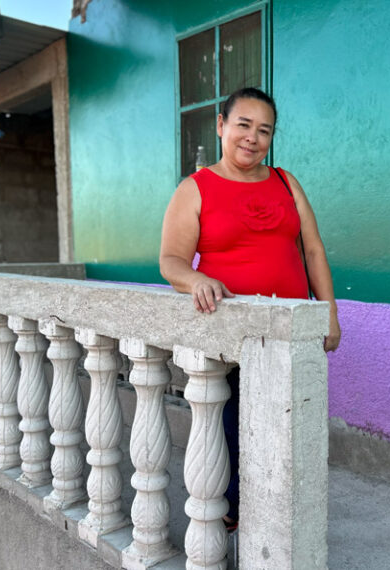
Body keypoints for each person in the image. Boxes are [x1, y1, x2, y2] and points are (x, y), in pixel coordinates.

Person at [159, 87, 341, 529]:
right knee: (236, 432)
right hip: (232, 336)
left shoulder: (285, 181)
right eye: (243, 125)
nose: (252, 138)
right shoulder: (195, 188)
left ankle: (283, 517)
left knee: (290, 431)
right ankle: (235, 519)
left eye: (264, 130)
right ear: (221, 126)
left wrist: (329, 313)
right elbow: (171, 261)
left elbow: (313, 251)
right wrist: (197, 278)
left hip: (291, 332)